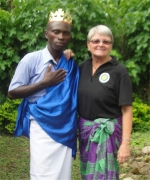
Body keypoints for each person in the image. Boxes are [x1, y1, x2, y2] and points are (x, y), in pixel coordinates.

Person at [8, 9, 79, 180]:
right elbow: (12, 92)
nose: (61, 36)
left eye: (65, 33)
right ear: (46, 33)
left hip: (65, 125)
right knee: (42, 172)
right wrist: (44, 83)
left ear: (69, 37)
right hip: (41, 124)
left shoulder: (70, 62)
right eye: (56, 31)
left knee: (62, 174)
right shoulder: (31, 59)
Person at [77, 25, 132, 180]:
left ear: (111, 45)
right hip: (86, 132)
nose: (100, 44)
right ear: (88, 44)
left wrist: (125, 143)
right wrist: (66, 54)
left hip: (108, 133)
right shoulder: (81, 68)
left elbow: (126, 110)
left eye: (106, 41)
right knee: (88, 173)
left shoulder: (119, 71)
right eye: (96, 41)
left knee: (106, 175)